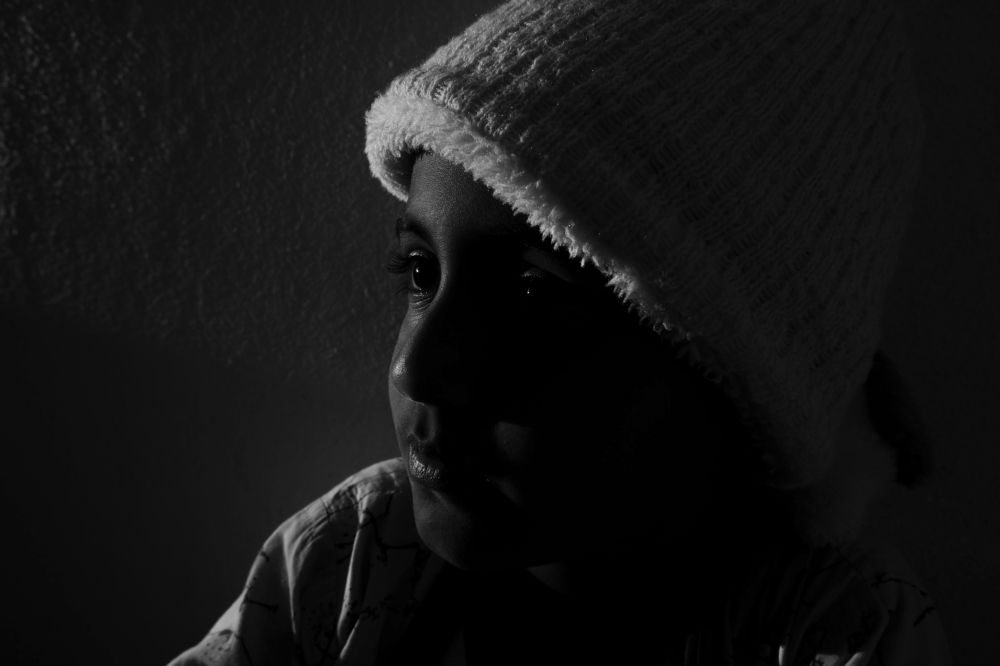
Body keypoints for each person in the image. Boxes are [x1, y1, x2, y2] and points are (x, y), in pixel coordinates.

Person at [169, 0, 953, 663]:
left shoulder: (836, 630)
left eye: (535, 295)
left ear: (742, 379)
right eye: (419, 273)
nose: (418, 371)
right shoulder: (349, 563)